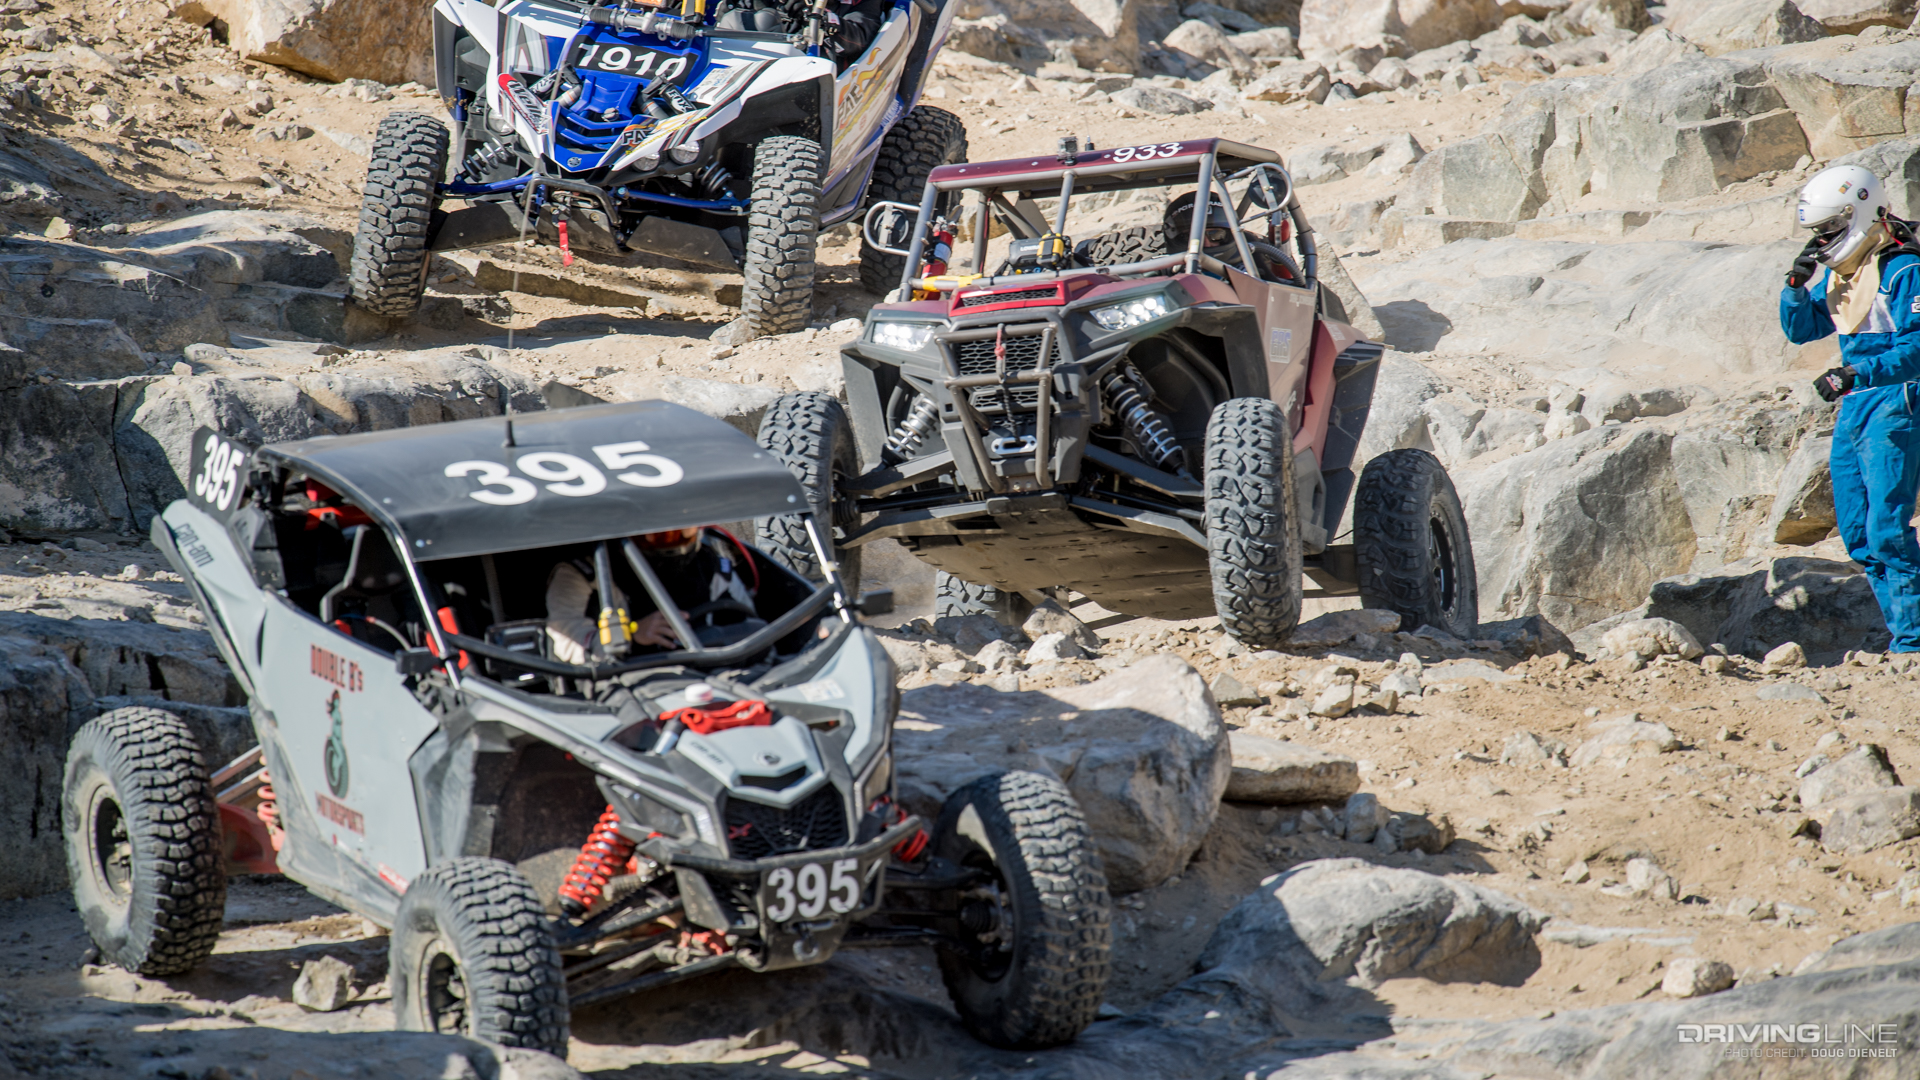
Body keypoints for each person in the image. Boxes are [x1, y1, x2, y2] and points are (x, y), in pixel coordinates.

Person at [1780, 163, 1920, 653]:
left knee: (1886, 530)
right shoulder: (1848, 273)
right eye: (1818, 232)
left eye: (1829, 228)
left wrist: (1858, 372)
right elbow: (1803, 330)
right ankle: (1905, 633)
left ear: (1858, 212)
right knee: (1858, 533)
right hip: (1856, 407)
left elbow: (1916, 347)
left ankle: (1912, 642)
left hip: (1895, 400)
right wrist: (1796, 286)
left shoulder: (1902, 269)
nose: (1822, 240)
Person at [545, 527, 758, 663]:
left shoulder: (712, 565)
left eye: (680, 531)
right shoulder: (582, 573)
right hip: (625, 679)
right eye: (659, 535)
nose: (670, 539)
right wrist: (633, 634)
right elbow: (566, 644)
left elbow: (751, 626)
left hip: (710, 670)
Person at [1163, 192, 1299, 284]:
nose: (1206, 244)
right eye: (1191, 237)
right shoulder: (1164, 270)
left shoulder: (1250, 259)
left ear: (1228, 234)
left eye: (1215, 235)